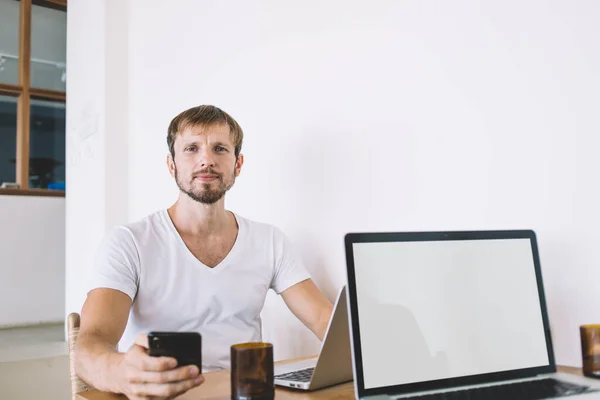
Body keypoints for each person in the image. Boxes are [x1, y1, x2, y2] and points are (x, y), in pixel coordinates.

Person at [75, 105, 333, 400]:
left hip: (245, 392)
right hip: (164, 395)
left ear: (238, 165)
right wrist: (122, 373)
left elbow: (324, 320)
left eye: (220, 149)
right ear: (172, 166)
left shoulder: (269, 240)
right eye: (191, 148)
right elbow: (90, 346)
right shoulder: (129, 243)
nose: (206, 160)